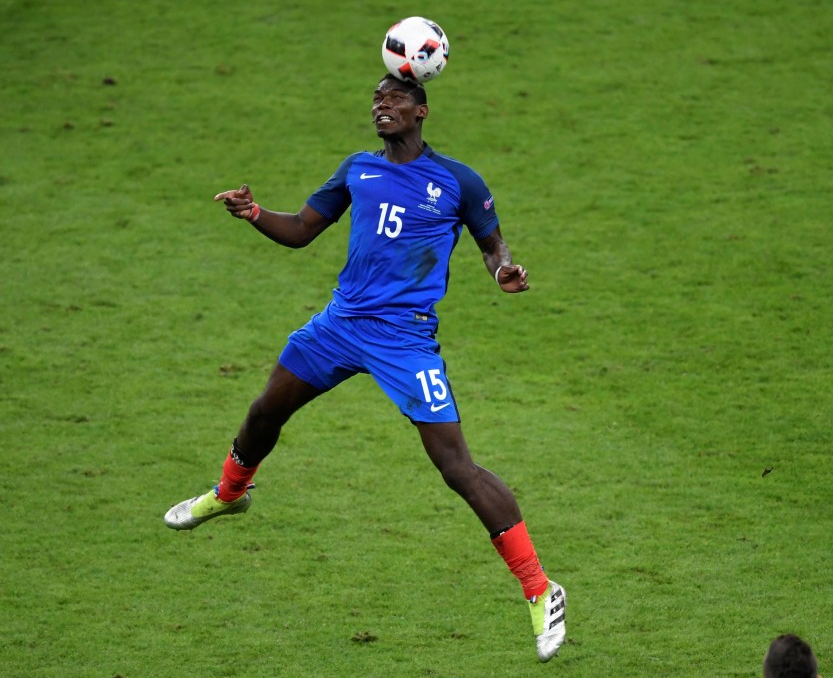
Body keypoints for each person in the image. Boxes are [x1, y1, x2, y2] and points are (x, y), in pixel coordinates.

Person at [163, 74, 566, 662]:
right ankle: (229, 493)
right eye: (377, 99)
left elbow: (491, 244)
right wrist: (254, 213)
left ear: (421, 110)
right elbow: (302, 230)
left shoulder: (457, 180)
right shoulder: (357, 169)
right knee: (263, 411)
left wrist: (504, 270)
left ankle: (539, 588)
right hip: (340, 325)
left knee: (457, 468)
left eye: (396, 98)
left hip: (404, 341)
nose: (383, 105)